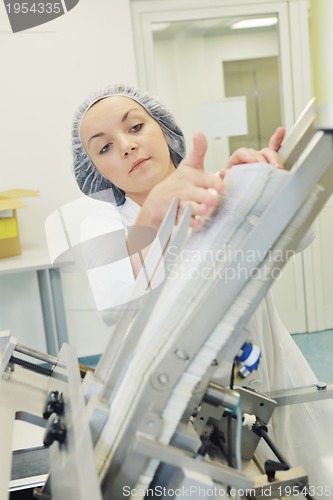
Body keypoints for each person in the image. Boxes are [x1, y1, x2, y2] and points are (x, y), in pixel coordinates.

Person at [71, 84, 333, 493]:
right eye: (103, 148)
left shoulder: (218, 187)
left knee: (301, 476)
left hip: (269, 381)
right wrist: (156, 211)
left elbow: (301, 238)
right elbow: (116, 302)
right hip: (180, 408)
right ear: (97, 171)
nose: (125, 146)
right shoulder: (101, 227)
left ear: (164, 131)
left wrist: (263, 189)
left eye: (136, 126)